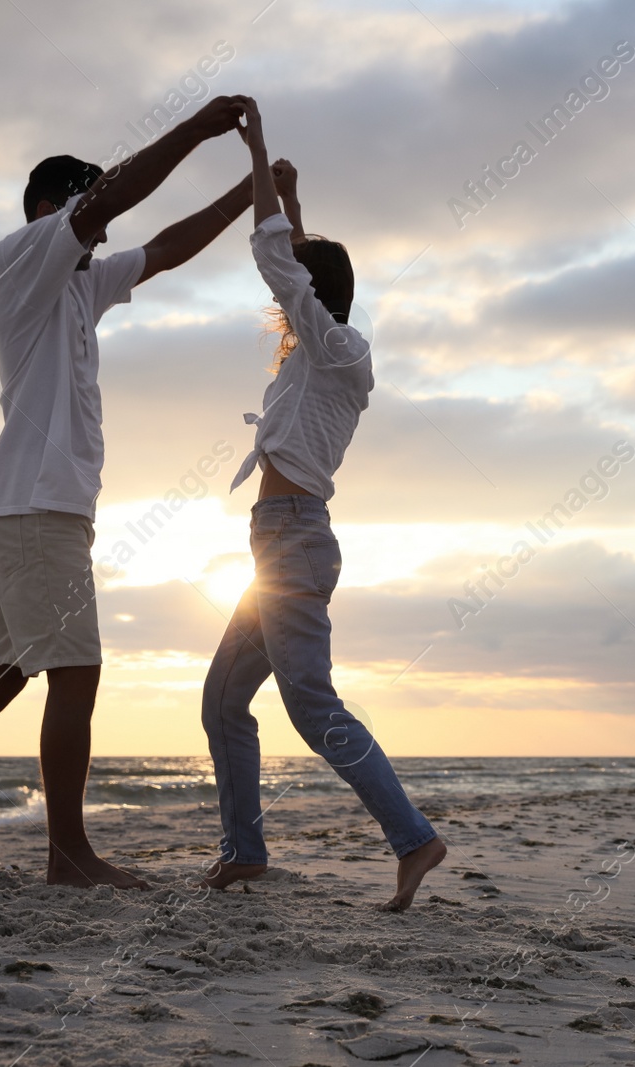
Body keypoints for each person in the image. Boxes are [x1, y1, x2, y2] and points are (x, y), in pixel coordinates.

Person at [0, 96, 264, 889]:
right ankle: (68, 854)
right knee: (77, 672)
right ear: (54, 211)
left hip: (44, 509)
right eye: (90, 211)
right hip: (36, 505)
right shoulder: (15, 265)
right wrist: (199, 127)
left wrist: (249, 194)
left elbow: (165, 248)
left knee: (1, 676)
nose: (105, 232)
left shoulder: (80, 285)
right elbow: (114, 201)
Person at [199, 98, 445, 910]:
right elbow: (296, 259)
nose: (292, 290)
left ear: (318, 295)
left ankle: (412, 838)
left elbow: (279, 262)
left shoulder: (336, 350)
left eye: (306, 281)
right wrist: (293, 197)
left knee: (311, 702)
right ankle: (244, 852)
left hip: (294, 542)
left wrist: (257, 145)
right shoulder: (321, 354)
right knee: (224, 699)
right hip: (280, 545)